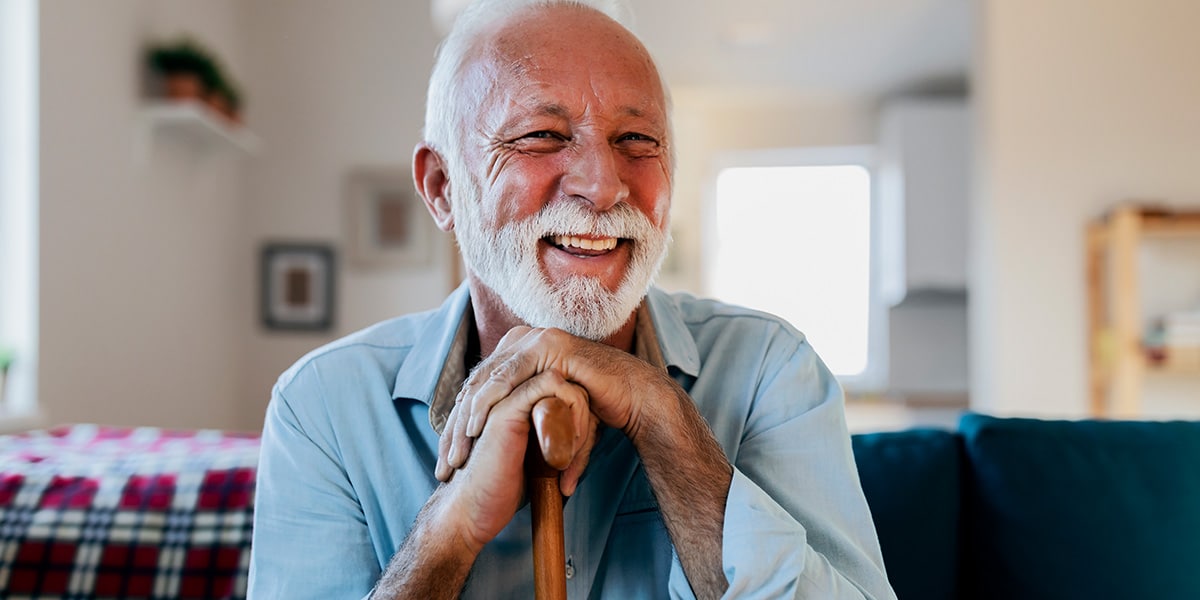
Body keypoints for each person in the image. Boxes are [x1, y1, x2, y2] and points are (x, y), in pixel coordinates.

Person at [249, 1, 895, 598]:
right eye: (541, 135)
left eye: (637, 141)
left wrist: (664, 418)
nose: (602, 185)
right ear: (443, 187)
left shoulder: (771, 372)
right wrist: (452, 527)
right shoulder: (323, 408)